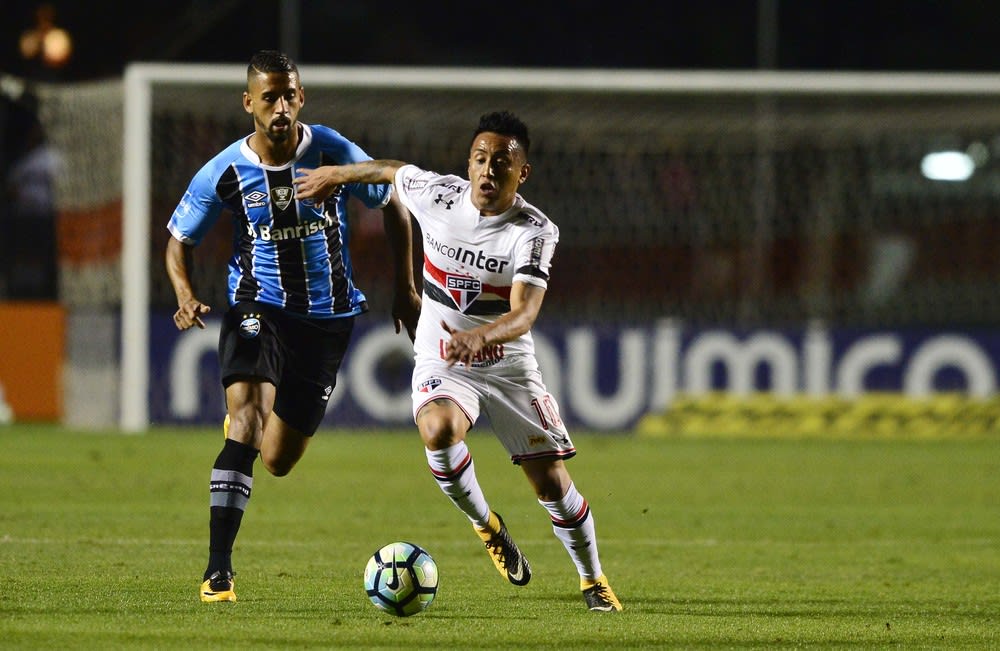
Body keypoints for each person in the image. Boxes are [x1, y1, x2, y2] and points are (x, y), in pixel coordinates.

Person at [294, 110, 622, 612]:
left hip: (508, 363)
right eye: (480, 158)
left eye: (502, 163)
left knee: (552, 484)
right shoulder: (440, 195)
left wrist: (482, 337)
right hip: (443, 355)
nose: (488, 170)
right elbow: (390, 171)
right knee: (439, 431)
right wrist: (335, 174)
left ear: (523, 173)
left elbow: (525, 311)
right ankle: (488, 525)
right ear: (469, 164)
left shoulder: (533, 231)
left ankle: (592, 579)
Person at [165, 50, 420, 603]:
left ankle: (247, 433)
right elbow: (178, 241)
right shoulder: (224, 171)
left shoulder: (331, 150)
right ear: (248, 104)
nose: (280, 106)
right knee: (247, 424)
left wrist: (405, 287)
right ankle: (217, 572)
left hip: (329, 320)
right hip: (258, 307)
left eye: (289, 95)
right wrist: (185, 295)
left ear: (300, 97)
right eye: (269, 97)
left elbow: (393, 198)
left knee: (277, 459)